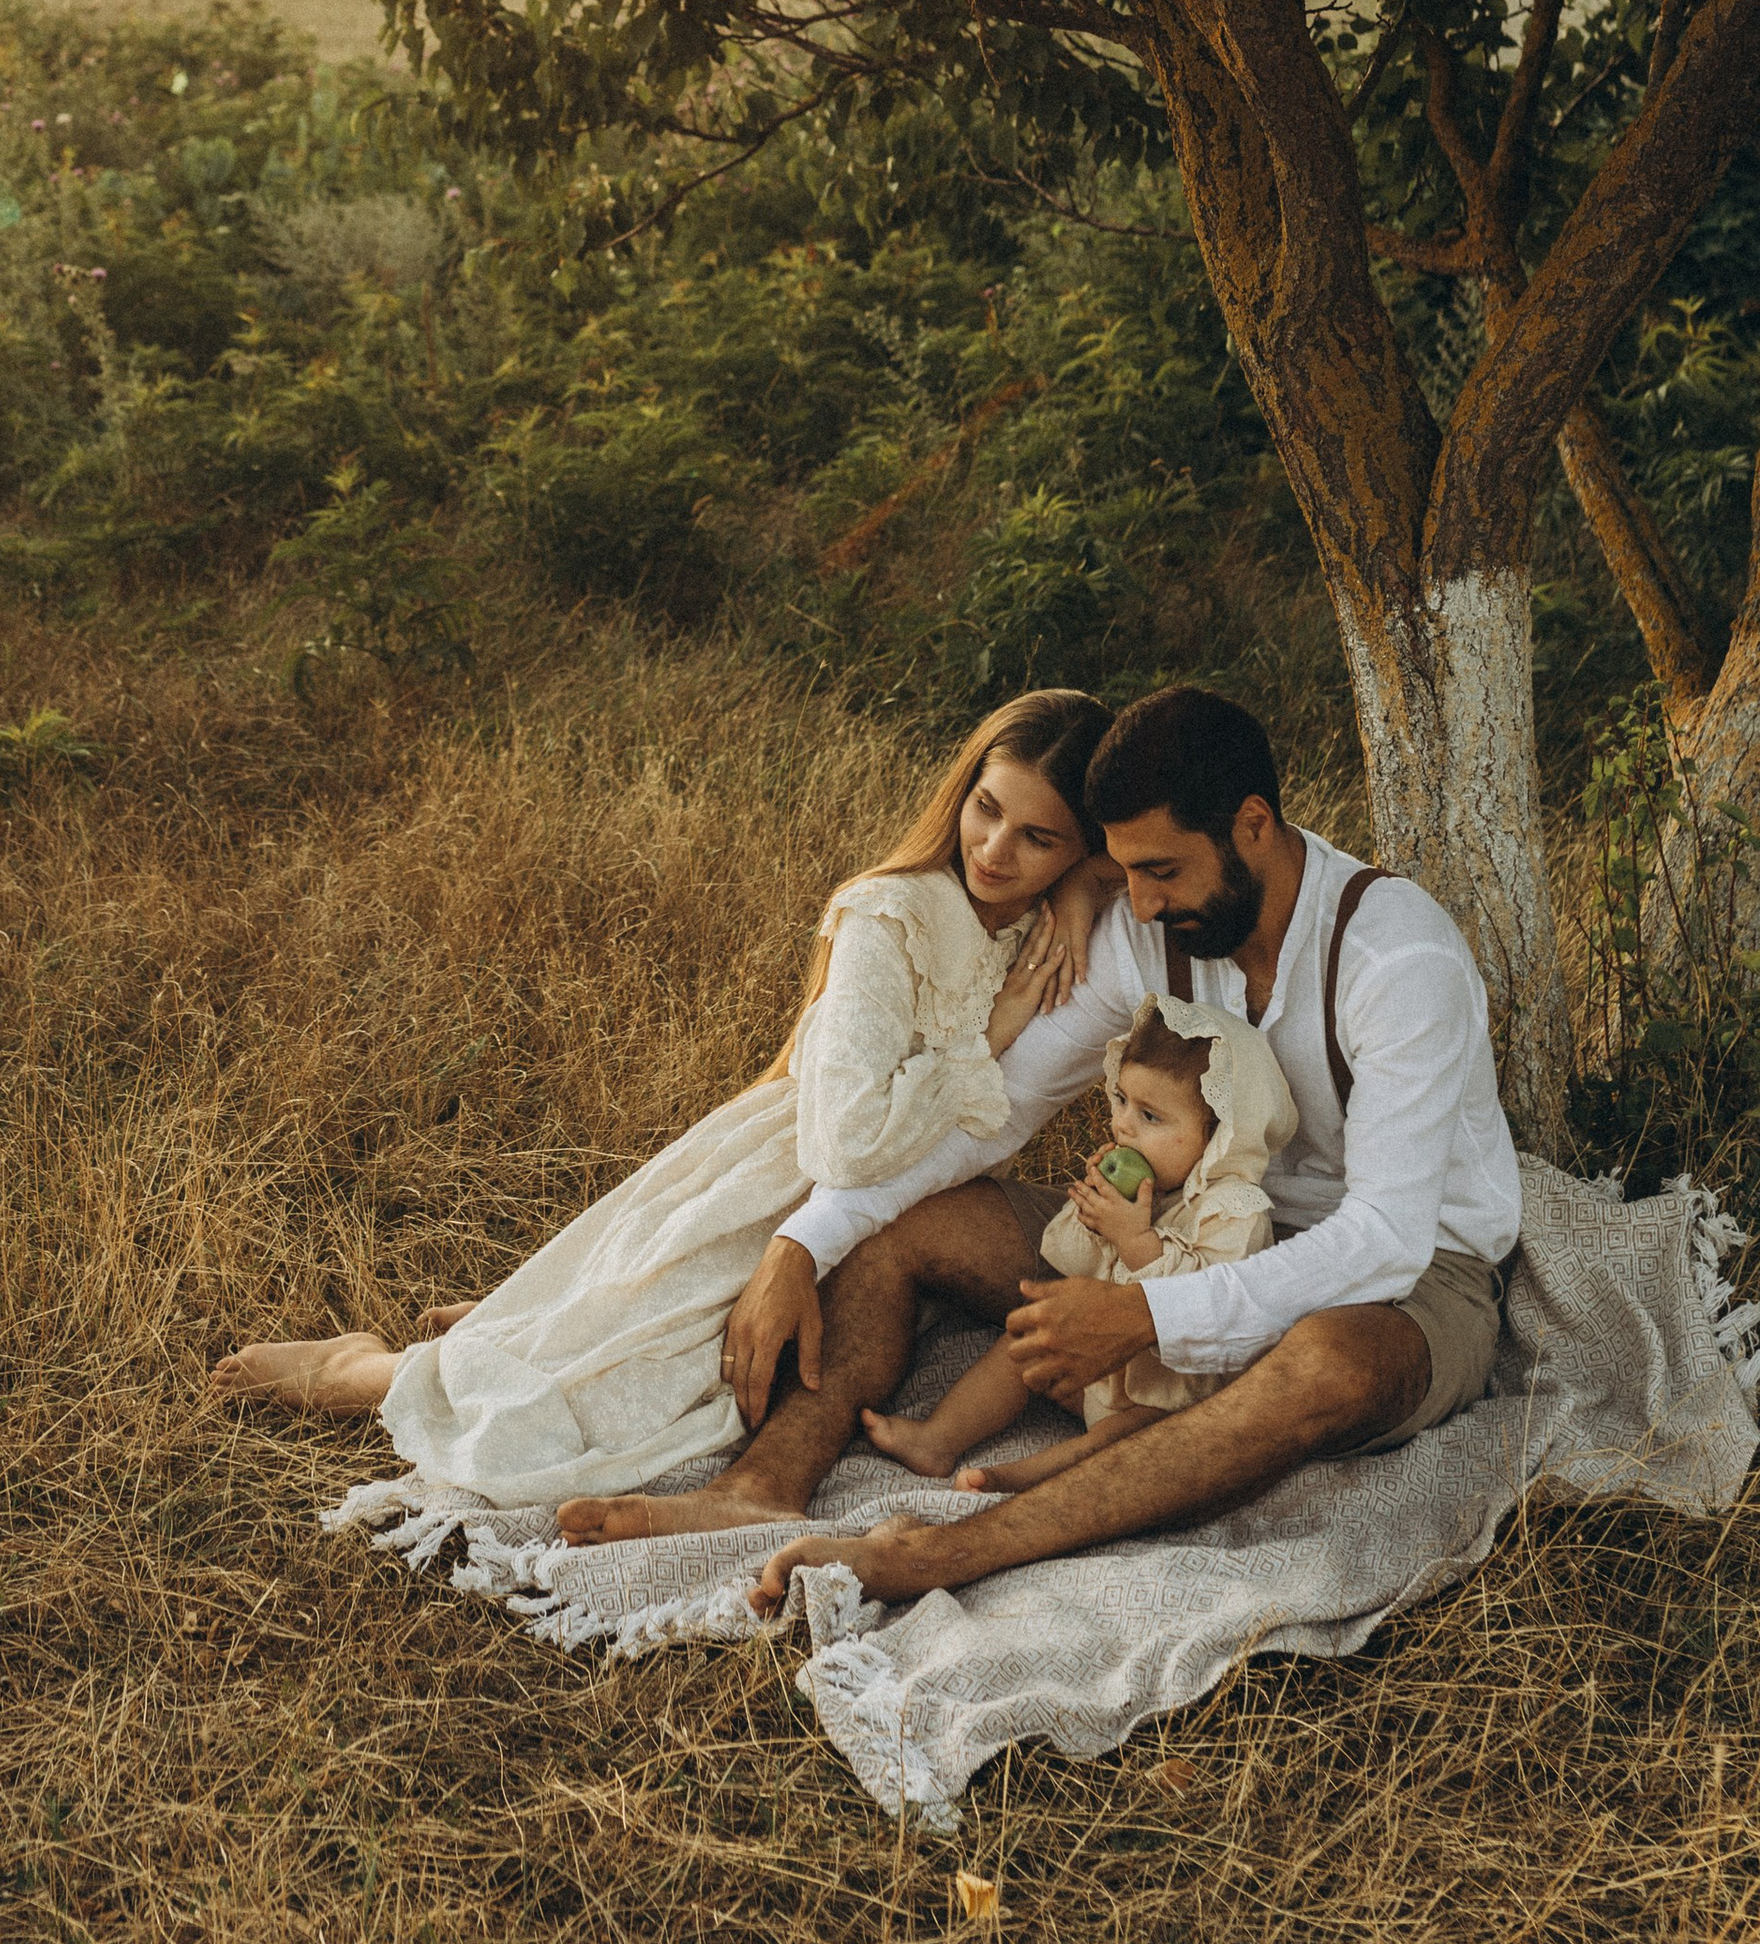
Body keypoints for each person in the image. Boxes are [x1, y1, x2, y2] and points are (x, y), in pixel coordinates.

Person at [540, 684, 1520, 1608]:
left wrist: (1147, 1314)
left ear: (1252, 826)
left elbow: (1386, 1236)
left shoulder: (1396, 958)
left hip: (1403, 1279)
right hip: (1173, 1220)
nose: (1138, 905)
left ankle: (941, 1553)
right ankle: (759, 1487)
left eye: (1161, 871)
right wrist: (805, 1242)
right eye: (1121, 872)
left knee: (1331, 1367)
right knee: (916, 1220)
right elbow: (998, 1116)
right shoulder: (1150, 929)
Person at [210, 689, 1114, 1506]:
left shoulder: (1049, 923)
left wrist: (1081, 888)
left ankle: (520, 1320)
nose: (995, 851)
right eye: (986, 809)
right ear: (961, 792)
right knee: (598, 1411)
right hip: (779, 1183)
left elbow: (1141, 856)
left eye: (1039, 839)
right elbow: (843, 1146)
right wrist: (992, 1032)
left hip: (890, 1212)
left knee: (670, 1366)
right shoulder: (892, 915)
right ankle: (364, 1370)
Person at [847, 994, 1292, 1493]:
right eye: (1122, 1100)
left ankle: (1018, 1478)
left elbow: (1204, 1313)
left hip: (1175, 1396)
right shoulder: (1143, 1188)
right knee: (1027, 1343)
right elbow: (1070, 1261)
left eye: (1150, 1116)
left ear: (1218, 1137)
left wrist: (1135, 1239)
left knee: (1127, 1437)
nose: (1122, 1123)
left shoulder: (1234, 1210)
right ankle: (938, 1439)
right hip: (1100, 1374)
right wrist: (1091, 1218)